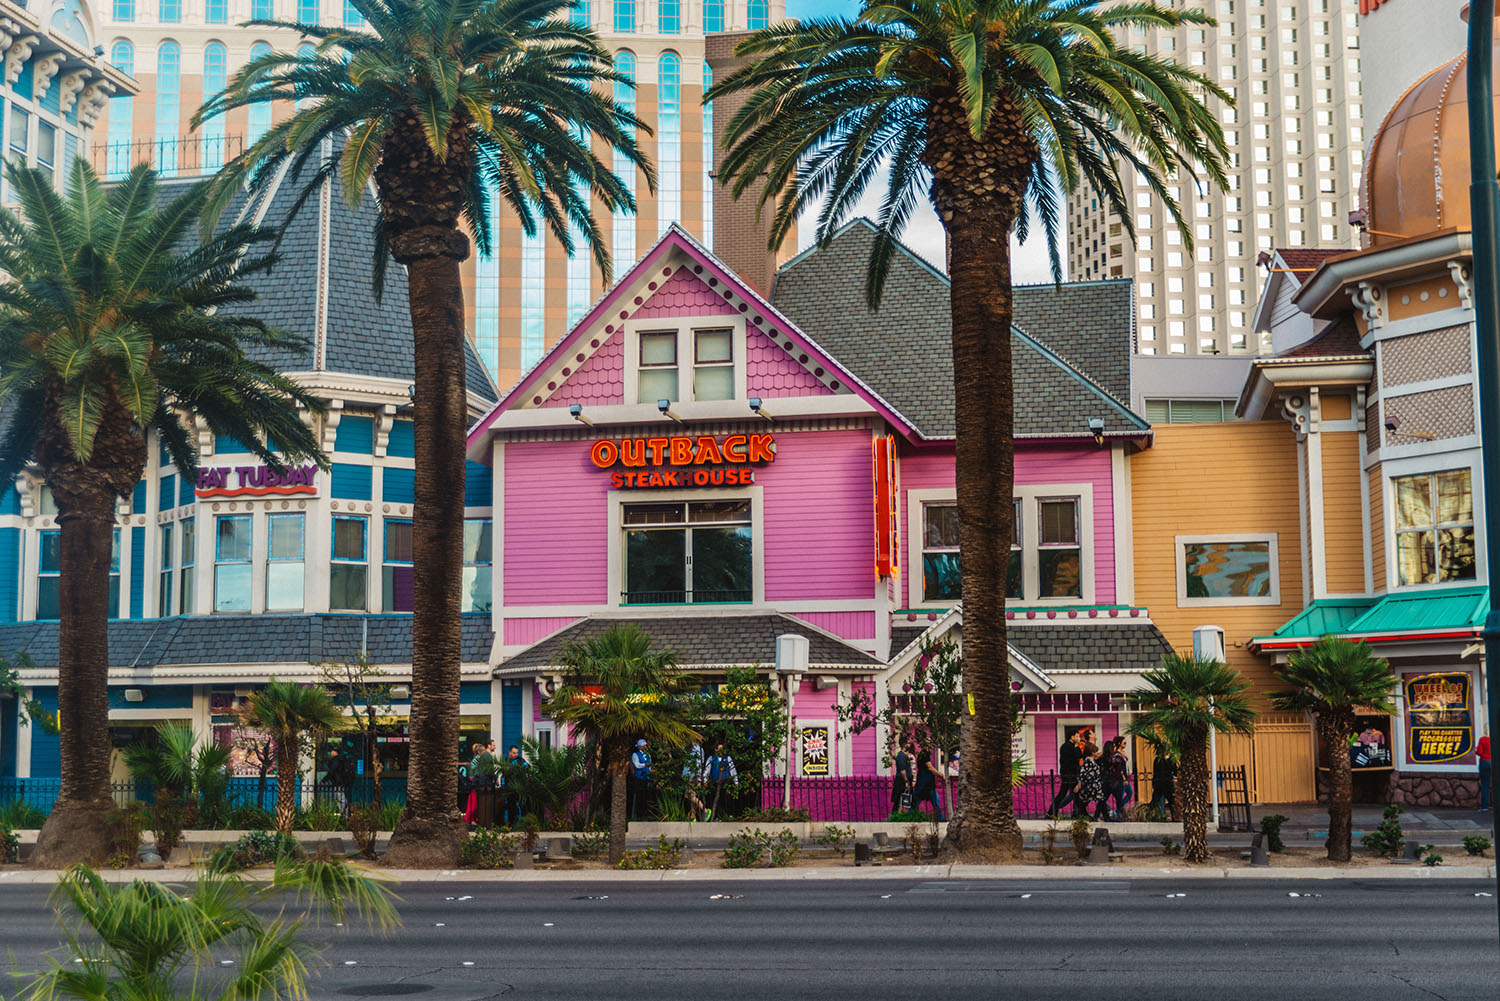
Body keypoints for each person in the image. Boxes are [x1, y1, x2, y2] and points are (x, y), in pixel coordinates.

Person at [1048, 731, 1086, 818]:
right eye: (1077, 736)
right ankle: (1077, 814)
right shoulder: (1068, 747)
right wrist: (1077, 746)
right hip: (1069, 774)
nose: (1079, 738)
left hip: (1069, 774)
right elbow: (1079, 755)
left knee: (1070, 794)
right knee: (1073, 794)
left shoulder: (1068, 746)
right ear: (1072, 737)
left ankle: (1053, 811)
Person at [702, 742, 739, 820]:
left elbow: (733, 770)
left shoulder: (727, 758)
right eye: (720, 749)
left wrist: (736, 781)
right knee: (717, 800)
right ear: (716, 750)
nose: (721, 751)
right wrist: (705, 780)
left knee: (728, 799)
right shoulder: (711, 758)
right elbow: (707, 770)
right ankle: (718, 817)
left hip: (726, 781)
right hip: (716, 782)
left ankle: (730, 815)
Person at [1074, 742, 1108, 821]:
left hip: (1095, 784)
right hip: (1091, 785)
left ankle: (1089, 815)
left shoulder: (1092, 761)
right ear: (1092, 752)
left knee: (1095, 800)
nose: (1097, 753)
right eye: (1096, 751)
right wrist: (1080, 784)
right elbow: (1083, 773)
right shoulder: (1088, 761)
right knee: (1100, 800)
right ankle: (1102, 817)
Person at [913, 749, 945, 821]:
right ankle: (941, 818)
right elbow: (930, 767)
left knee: (916, 802)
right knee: (935, 801)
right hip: (926, 783)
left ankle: (911, 816)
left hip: (923, 782)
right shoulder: (925, 754)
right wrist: (941, 775)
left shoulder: (922, 754)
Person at [1106, 736, 1134, 821]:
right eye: (1124, 742)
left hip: (1123, 778)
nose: (1125, 743)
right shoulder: (1117, 755)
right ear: (1119, 743)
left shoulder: (1122, 753)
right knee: (1120, 796)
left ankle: (1118, 811)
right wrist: (1124, 779)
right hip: (1121, 779)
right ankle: (1119, 814)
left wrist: (1126, 757)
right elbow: (1120, 768)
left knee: (1128, 793)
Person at [501, 744, 528, 825]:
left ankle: (525, 823)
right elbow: (504, 773)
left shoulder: (520, 760)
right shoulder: (505, 761)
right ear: (509, 753)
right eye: (514, 753)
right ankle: (512, 823)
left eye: (516, 753)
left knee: (523, 806)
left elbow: (528, 768)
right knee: (511, 806)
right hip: (510, 788)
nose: (515, 754)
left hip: (519, 788)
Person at [324, 747, 355, 815]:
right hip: (341, 782)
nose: (330, 753)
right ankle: (343, 811)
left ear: (335, 752)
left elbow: (332, 770)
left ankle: (344, 811)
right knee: (339, 797)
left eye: (331, 751)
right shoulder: (341, 760)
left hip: (338, 782)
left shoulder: (336, 760)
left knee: (339, 797)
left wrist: (324, 780)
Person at [1150, 748, 1178, 817]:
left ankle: (1173, 816)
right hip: (1161, 783)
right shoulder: (1159, 759)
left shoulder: (1170, 760)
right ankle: (1161, 816)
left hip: (1167, 783)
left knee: (1170, 801)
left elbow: (1175, 770)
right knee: (1159, 801)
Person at [629, 738, 653, 820]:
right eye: (643, 746)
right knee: (640, 796)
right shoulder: (635, 754)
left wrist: (650, 771)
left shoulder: (648, 754)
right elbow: (637, 765)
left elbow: (650, 765)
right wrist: (644, 765)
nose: (644, 747)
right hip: (639, 777)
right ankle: (639, 814)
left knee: (647, 796)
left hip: (647, 777)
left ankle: (646, 813)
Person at [891, 743, 914, 815]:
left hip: (904, 780)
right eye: (908, 743)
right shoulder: (901, 756)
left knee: (904, 799)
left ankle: (903, 814)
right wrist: (906, 781)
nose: (909, 745)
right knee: (900, 799)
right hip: (902, 781)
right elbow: (902, 770)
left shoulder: (904, 756)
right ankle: (897, 815)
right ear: (904, 745)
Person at [1479, 734, 1492, 812]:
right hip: (1494, 762)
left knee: (1485, 785)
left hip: (1484, 761)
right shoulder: (1494, 738)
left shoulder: (1483, 739)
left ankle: (1485, 807)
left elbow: (1479, 752)